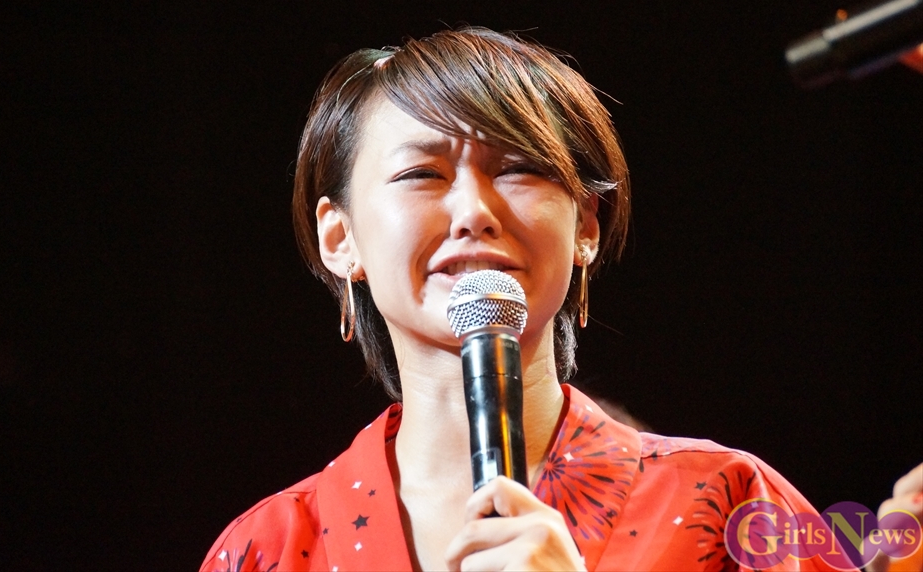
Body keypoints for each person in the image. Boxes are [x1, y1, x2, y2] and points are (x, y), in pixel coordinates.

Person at [199, 28, 920, 571]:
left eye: (518, 168)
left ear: (586, 227)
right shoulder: (270, 547)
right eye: (422, 174)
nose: (473, 211)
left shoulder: (730, 503)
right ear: (340, 237)